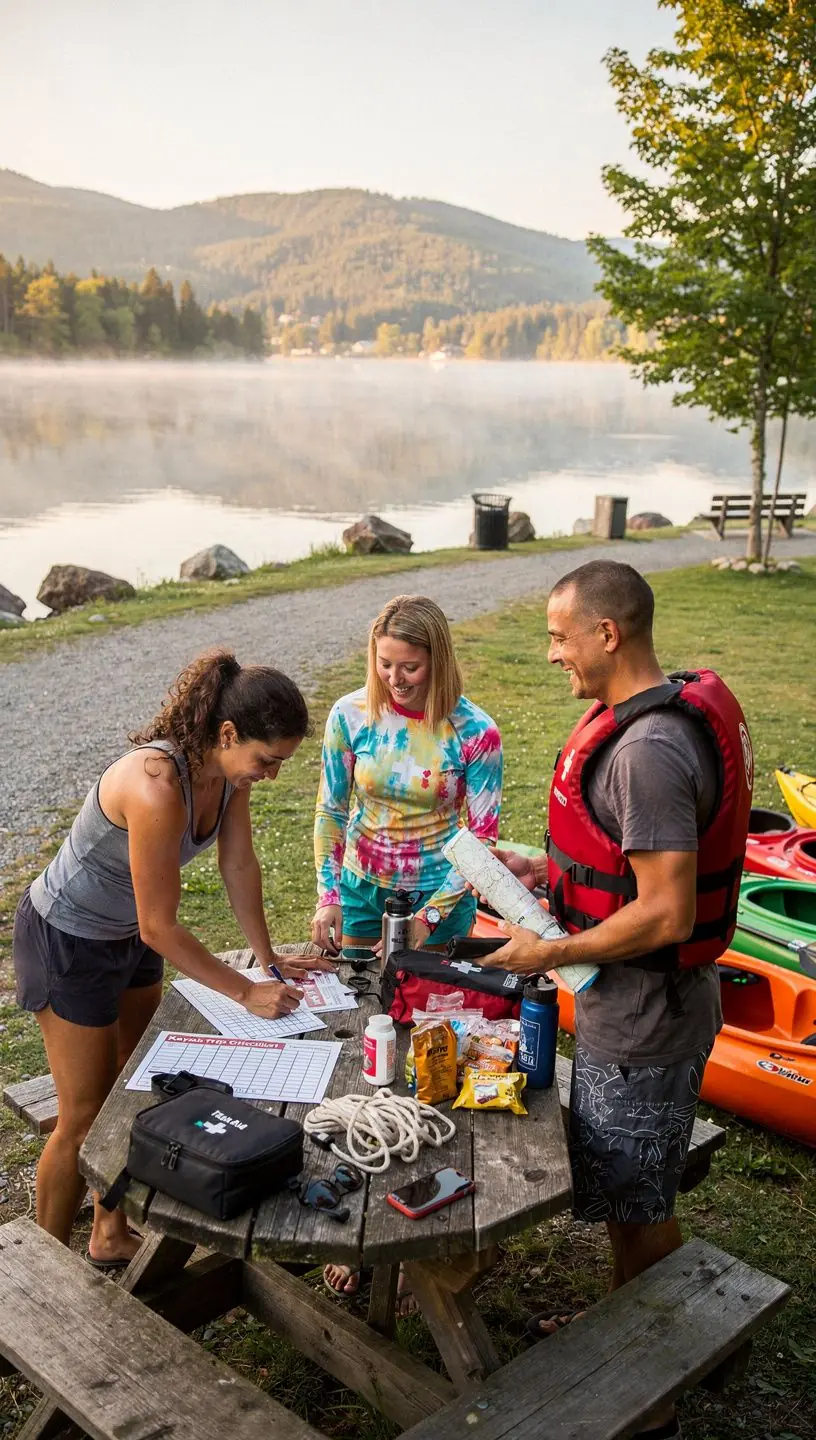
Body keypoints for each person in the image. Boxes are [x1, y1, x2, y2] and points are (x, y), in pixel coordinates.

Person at [482, 560, 752, 1440]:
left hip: (646, 1020)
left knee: (641, 1212)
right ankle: (629, 1329)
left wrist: (551, 949)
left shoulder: (646, 752)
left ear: (608, 633)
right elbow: (626, 870)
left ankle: (652, 1397)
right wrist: (544, 871)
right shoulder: (636, 723)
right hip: (632, 1011)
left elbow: (668, 912)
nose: (550, 653)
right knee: (627, 1193)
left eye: (560, 636)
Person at [13, 649, 334, 1269]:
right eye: (267, 760)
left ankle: (108, 1233)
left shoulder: (229, 776)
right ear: (227, 734)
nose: (270, 775)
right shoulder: (156, 785)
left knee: (136, 1084)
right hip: (67, 941)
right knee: (83, 1114)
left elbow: (238, 864)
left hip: (126, 938)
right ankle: (44, 1270)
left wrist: (267, 960)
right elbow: (159, 926)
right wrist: (245, 991)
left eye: (280, 763)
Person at [312, 594, 502, 1306]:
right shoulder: (350, 716)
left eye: (410, 667)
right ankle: (356, 1184)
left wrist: (433, 912)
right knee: (362, 1036)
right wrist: (329, 894)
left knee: (432, 1051)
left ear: (438, 660)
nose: (396, 679)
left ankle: (424, 1208)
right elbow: (332, 810)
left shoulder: (475, 733)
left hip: (439, 901)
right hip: (362, 891)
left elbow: (481, 839)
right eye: (385, 664)